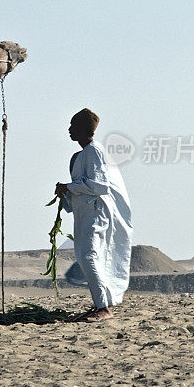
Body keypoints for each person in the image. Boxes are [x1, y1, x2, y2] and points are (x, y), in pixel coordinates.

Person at [55, 108, 133, 322]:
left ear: (82, 129)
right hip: (86, 213)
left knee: (89, 256)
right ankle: (101, 304)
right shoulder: (82, 155)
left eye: (73, 126)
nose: (69, 130)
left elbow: (100, 185)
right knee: (86, 257)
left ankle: (104, 309)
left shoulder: (94, 151)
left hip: (96, 214)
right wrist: (65, 192)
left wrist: (69, 187)